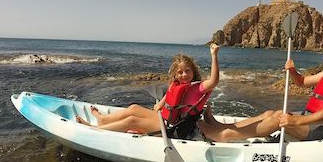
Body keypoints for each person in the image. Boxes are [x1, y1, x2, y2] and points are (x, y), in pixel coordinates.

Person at [198, 42, 323, 142]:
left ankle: (225, 135)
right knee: (274, 112)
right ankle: (222, 127)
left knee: (279, 119)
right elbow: (302, 82)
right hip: (315, 120)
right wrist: (293, 71)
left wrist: (295, 121)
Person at [77, 44, 220, 138]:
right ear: (175, 75)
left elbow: (214, 81)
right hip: (167, 120)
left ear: (193, 71)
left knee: (132, 120)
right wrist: (161, 104)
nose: (184, 75)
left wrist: (214, 55)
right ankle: (103, 120)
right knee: (134, 108)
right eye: (180, 72)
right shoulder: (177, 84)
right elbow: (171, 95)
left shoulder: (198, 87)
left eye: (187, 71)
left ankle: (96, 129)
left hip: (175, 128)